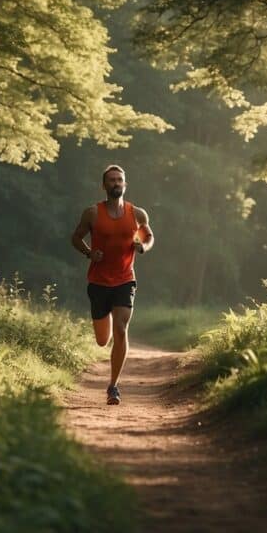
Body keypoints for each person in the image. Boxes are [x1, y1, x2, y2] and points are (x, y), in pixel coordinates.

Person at [71, 165, 154, 405]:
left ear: (125, 184)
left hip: (125, 279)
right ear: (104, 185)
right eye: (111, 180)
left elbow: (148, 236)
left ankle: (113, 386)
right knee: (101, 339)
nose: (116, 183)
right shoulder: (92, 214)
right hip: (98, 282)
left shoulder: (137, 214)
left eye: (120, 180)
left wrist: (143, 247)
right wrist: (89, 253)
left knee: (121, 329)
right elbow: (76, 237)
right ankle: (104, 337)